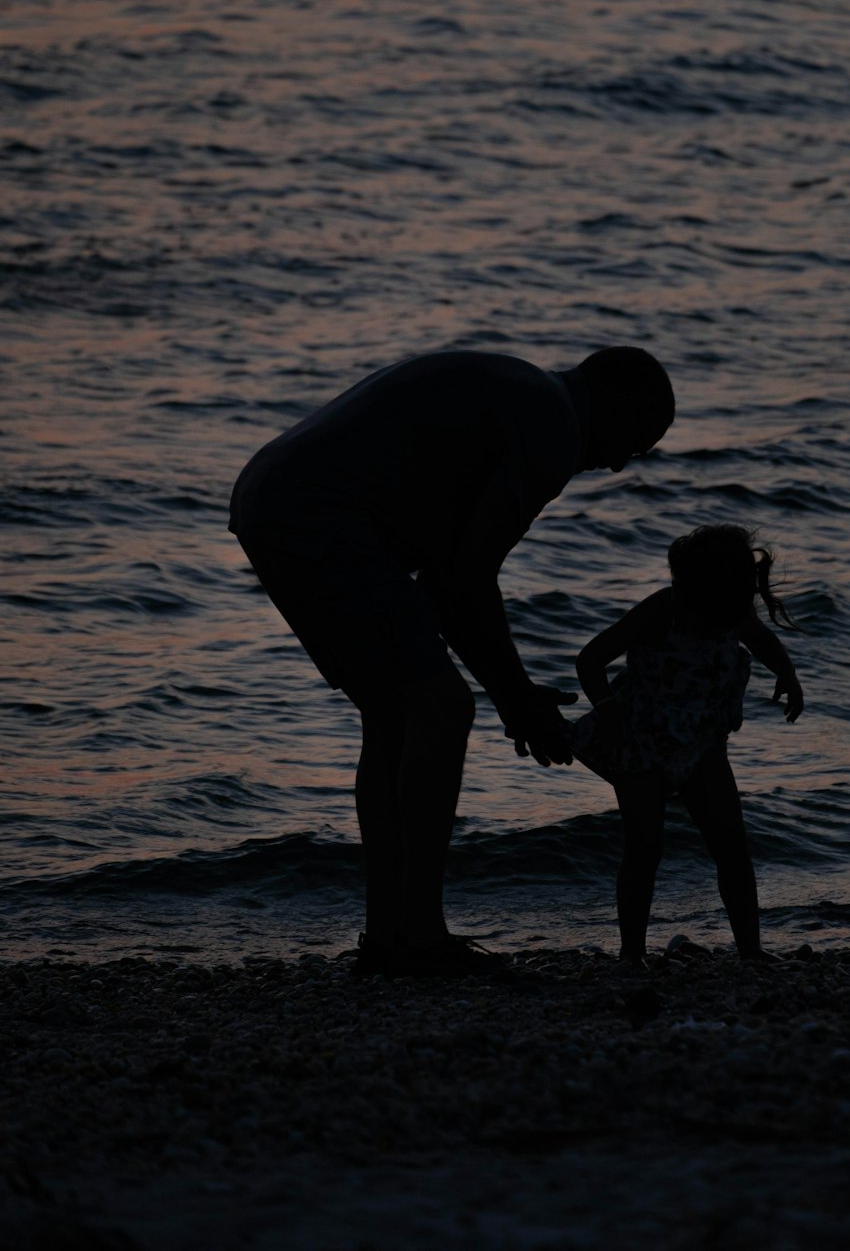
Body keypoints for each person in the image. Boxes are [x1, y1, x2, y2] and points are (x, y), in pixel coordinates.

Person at [229, 346, 674, 978]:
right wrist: (517, 700)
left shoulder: (523, 390)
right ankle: (420, 939)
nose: (618, 463)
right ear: (619, 401)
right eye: (638, 440)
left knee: (396, 716)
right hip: (319, 514)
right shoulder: (551, 423)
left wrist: (515, 696)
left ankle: (388, 938)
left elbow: (445, 582)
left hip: (270, 496)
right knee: (440, 707)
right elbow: (464, 581)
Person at [572, 524, 803, 966]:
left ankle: (751, 951)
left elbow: (762, 640)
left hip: (703, 749)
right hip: (642, 748)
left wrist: (788, 676)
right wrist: (608, 711)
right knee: (644, 848)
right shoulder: (666, 609)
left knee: (732, 846)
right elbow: (590, 660)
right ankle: (632, 956)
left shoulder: (733, 611)